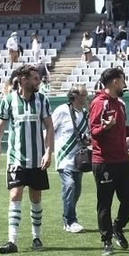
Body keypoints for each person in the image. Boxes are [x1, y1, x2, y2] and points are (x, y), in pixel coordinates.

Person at [0, 64, 53, 254]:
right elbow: (0, 129)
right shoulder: (8, 100)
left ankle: (37, 237)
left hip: (37, 160)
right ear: (24, 79)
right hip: (16, 159)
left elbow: (49, 127)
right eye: (35, 78)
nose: (39, 81)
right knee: (15, 195)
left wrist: (48, 152)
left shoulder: (42, 100)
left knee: (36, 198)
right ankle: (12, 241)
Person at [89, 67, 129, 255]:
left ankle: (117, 227)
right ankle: (106, 240)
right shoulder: (99, 103)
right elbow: (94, 133)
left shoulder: (120, 104)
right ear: (114, 81)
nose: (125, 84)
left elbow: (122, 130)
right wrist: (105, 128)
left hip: (123, 160)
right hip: (104, 161)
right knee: (105, 203)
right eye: (123, 80)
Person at [51, 88, 90, 233]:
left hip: (79, 159)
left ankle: (68, 217)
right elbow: (50, 129)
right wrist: (47, 150)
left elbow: (86, 134)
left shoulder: (85, 114)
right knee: (70, 185)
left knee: (76, 190)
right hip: (64, 157)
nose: (87, 97)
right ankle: (70, 221)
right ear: (74, 97)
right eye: (84, 95)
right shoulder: (62, 110)